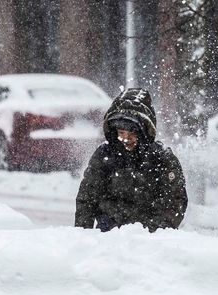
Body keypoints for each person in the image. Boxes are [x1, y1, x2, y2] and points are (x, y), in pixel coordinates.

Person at [75, 88, 188, 232]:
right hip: (108, 236)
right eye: (121, 132)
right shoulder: (104, 155)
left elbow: (175, 202)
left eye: (132, 133)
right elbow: (87, 198)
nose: (125, 139)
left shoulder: (162, 159)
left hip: (150, 239)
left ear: (144, 132)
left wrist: (155, 232)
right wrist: (83, 235)